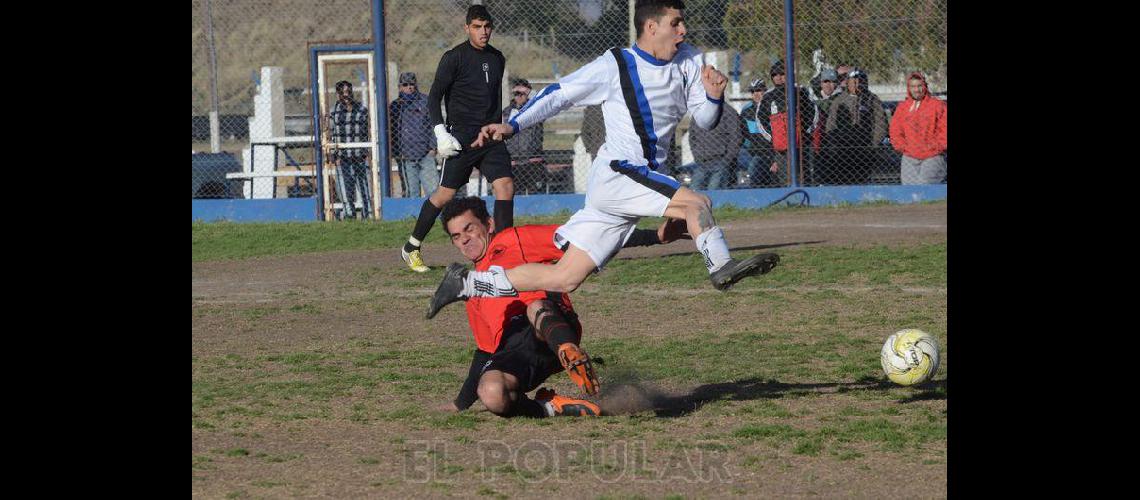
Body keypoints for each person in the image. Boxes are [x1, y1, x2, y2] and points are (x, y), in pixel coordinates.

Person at [426, 0, 779, 320]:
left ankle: (466, 284)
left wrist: (715, 97)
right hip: (621, 172)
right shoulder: (616, 65)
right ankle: (721, 266)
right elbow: (560, 94)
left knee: (564, 277)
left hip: (624, 184)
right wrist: (514, 123)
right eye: (677, 23)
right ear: (652, 27)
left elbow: (704, 118)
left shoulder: (690, 59)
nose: (683, 30)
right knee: (697, 203)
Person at [437, 197, 689, 416]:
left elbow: (586, 240)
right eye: (456, 237)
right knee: (492, 393)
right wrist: (461, 403)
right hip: (518, 349)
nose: (464, 240)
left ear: (489, 224)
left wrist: (654, 237)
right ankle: (549, 407)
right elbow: (485, 351)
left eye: (469, 229)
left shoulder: (513, 239)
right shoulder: (472, 286)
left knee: (533, 305)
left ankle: (569, 351)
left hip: (550, 323)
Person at [400, 4, 513, 273]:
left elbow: (495, 98)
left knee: (505, 186)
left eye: (487, 26)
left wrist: (499, 126)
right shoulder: (454, 57)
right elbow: (435, 96)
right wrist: (441, 132)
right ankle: (412, 246)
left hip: (490, 135)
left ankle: (503, 252)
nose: (483, 32)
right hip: (462, 137)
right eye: (477, 27)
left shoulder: (498, 57)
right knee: (443, 196)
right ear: (467, 28)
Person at [758, 60, 817, 187]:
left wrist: (804, 134)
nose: (778, 77)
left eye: (782, 73)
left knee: (804, 175)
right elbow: (761, 120)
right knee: (785, 178)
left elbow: (813, 113)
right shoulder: (768, 96)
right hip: (780, 147)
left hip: (802, 144)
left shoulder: (800, 92)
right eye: (775, 74)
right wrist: (774, 138)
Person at [824, 68, 888, 185]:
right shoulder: (839, 101)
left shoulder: (872, 99)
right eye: (853, 81)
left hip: (865, 148)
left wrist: (872, 146)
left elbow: (881, 125)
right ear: (847, 82)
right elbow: (830, 127)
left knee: (861, 179)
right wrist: (835, 146)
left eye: (860, 81)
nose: (857, 84)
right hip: (842, 150)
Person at [889, 72, 947, 184]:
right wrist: (903, 147)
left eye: (919, 86)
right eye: (913, 87)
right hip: (909, 155)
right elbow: (895, 130)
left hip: (933, 155)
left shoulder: (938, 105)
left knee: (925, 185)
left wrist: (936, 147)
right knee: (908, 189)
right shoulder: (903, 107)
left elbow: (945, 130)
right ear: (908, 88)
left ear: (925, 86)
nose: (917, 90)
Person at [389, 72, 437, 198]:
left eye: (412, 84)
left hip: (426, 154)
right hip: (406, 156)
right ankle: (413, 216)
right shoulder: (395, 106)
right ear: (400, 87)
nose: (409, 87)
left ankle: (436, 215)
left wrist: (433, 147)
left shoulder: (425, 101)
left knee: (433, 190)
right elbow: (391, 130)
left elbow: (434, 124)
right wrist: (397, 153)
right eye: (405, 84)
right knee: (412, 192)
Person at [329, 80, 372, 219]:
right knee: (345, 190)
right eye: (343, 93)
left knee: (364, 187)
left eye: (348, 92)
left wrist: (367, 152)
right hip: (343, 158)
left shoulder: (361, 109)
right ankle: (349, 215)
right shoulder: (333, 112)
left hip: (359, 155)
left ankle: (368, 214)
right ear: (338, 94)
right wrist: (333, 156)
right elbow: (330, 134)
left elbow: (368, 131)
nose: (346, 95)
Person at [502, 78, 546, 194]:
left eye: (523, 94)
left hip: (532, 158)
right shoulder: (506, 112)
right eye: (517, 93)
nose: (519, 97)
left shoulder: (536, 109)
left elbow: (545, 103)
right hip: (513, 159)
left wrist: (532, 94)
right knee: (515, 192)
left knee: (535, 192)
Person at [688, 99, 742, 190]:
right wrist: (696, 154)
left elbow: (736, 137)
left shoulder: (728, 111)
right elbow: (692, 136)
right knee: (693, 191)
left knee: (714, 191)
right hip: (702, 162)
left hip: (720, 161)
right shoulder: (698, 112)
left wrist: (727, 160)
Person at [737, 78, 772, 188]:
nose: (756, 94)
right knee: (754, 178)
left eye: (759, 90)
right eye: (753, 91)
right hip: (755, 153)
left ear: (764, 91)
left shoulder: (773, 107)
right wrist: (750, 148)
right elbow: (742, 133)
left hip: (773, 151)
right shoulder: (746, 110)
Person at [812, 68, 844, 185]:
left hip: (836, 143)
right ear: (821, 83)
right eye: (826, 81)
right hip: (818, 142)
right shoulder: (814, 99)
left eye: (832, 81)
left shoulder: (842, 98)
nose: (829, 85)